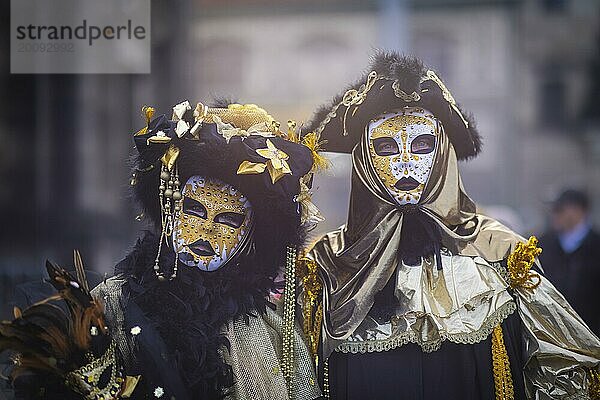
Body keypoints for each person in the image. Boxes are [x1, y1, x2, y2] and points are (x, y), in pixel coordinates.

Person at [297, 51, 600, 400]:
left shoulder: (499, 253)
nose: (406, 164)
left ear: (443, 155)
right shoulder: (324, 264)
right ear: (364, 160)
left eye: (423, 145)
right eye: (386, 148)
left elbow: (563, 369)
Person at [0, 100, 324, 400]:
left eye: (227, 219)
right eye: (194, 210)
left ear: (251, 234)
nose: (207, 230)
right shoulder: (114, 304)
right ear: (171, 210)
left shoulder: (273, 327)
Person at [539, 189, 600, 335]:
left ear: (579, 211)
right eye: (553, 210)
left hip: (592, 335)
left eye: (559, 209)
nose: (554, 214)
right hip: (554, 335)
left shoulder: (596, 246)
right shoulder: (542, 245)